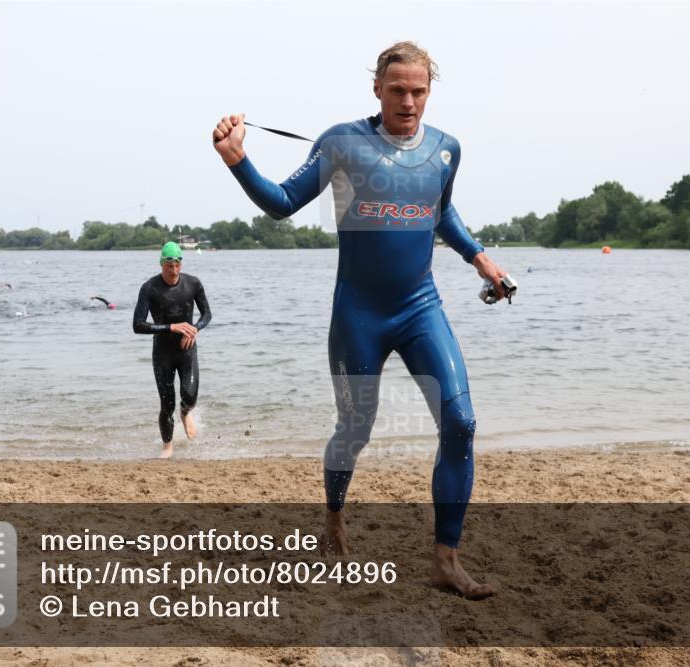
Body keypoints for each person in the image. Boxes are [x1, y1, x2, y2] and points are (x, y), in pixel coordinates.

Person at [213, 41, 510, 599]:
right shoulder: (343, 142)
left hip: (422, 307)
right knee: (356, 429)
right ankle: (333, 519)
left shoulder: (447, 150)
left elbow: (440, 210)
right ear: (377, 88)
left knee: (462, 423)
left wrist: (480, 258)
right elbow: (281, 202)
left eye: (419, 91)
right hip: (359, 314)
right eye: (397, 90)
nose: (408, 101)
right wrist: (237, 159)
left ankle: (447, 560)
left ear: (430, 92)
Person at [133, 242, 212, 459]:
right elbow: (137, 325)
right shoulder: (150, 288)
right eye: (169, 266)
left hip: (187, 350)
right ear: (161, 264)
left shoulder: (193, 284)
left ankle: (186, 413)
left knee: (189, 396)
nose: (174, 271)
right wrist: (171, 327)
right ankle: (167, 447)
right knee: (166, 403)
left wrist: (194, 328)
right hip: (163, 354)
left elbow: (207, 315)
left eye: (177, 265)